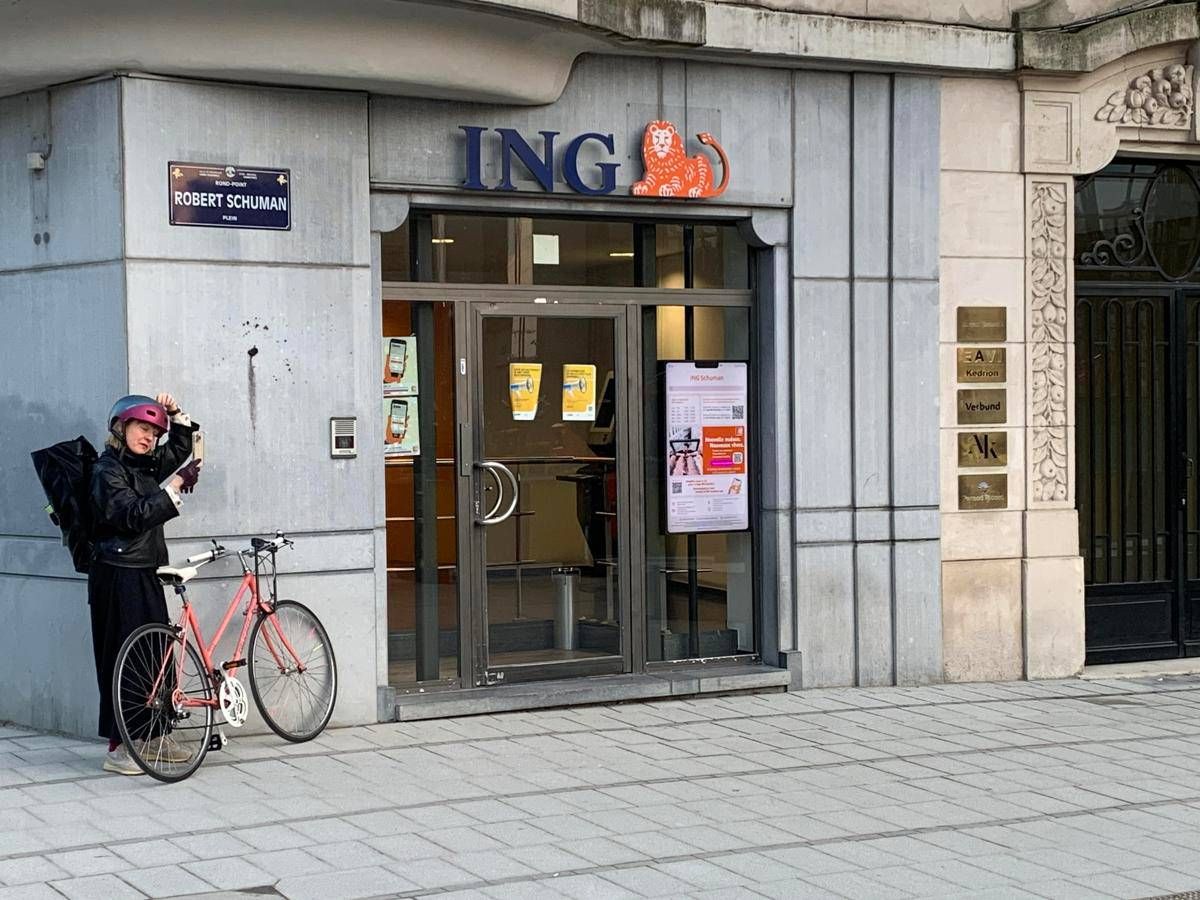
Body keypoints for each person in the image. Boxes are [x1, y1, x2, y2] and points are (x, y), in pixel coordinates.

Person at [89, 393, 201, 775]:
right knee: (124, 658)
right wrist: (175, 487)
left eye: (154, 432)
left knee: (155, 654)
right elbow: (131, 516)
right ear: (121, 428)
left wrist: (176, 414)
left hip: (146, 570)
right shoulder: (107, 471)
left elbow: (180, 447)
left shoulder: (144, 465)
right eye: (142, 428)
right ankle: (120, 748)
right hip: (117, 574)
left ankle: (154, 737)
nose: (149, 438)